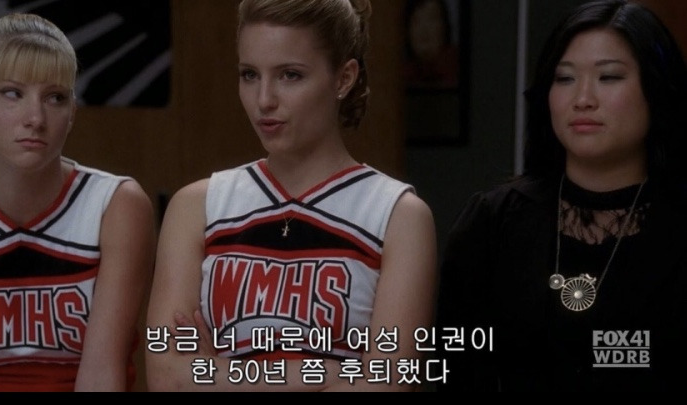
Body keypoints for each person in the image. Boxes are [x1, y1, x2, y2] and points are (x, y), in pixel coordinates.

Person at [146, 0, 437, 391]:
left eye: (290, 75)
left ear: (344, 79)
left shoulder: (398, 215)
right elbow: (168, 377)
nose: (264, 99)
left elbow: (388, 381)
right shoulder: (196, 206)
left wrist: (217, 374)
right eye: (250, 75)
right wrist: (333, 374)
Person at [438, 0, 687, 392]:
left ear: (656, 90)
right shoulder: (494, 221)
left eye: (608, 77)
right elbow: (457, 369)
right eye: (565, 78)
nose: (583, 98)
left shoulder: (679, 222)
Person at [0, 13, 155, 391]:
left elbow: (101, 373)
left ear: (72, 112)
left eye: (55, 97)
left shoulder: (115, 204)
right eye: (12, 93)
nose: (35, 118)